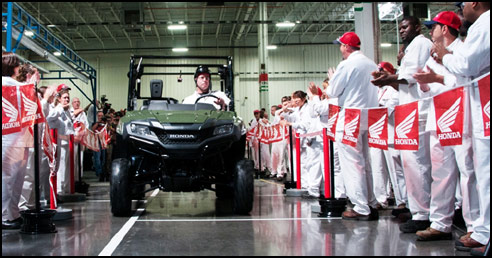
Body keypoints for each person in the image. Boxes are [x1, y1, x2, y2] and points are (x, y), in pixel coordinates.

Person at [409, 10, 476, 242]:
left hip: (461, 116)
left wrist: (435, 79)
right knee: (442, 173)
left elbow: (463, 81)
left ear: (445, 29)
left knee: (468, 172)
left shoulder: (462, 50)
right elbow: (425, 89)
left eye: (434, 27)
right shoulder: (432, 55)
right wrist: (424, 84)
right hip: (439, 117)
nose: (431, 31)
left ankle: (475, 226)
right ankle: (440, 223)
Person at [431, 2, 489, 254]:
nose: (462, 9)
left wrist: (445, 57)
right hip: (477, 106)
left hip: (482, 107)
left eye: (463, 4)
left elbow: (467, 67)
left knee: (483, 172)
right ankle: (481, 229)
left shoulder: (484, 24)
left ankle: (485, 232)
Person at [371, 16, 433, 231]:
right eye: (400, 28)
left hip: (418, 111)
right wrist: (392, 79)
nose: (401, 31)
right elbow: (406, 83)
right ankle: (417, 210)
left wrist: (391, 78)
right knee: (411, 167)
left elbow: (415, 76)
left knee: (419, 165)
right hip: (408, 111)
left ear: (417, 27)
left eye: (405, 27)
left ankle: (423, 213)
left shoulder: (422, 44)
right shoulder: (412, 47)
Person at [325, 31, 379, 220]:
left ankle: (360, 207)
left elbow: (333, 91)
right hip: (368, 115)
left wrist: (332, 78)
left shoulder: (347, 64)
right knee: (365, 162)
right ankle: (371, 203)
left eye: (341, 45)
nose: (340, 49)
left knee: (352, 164)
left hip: (350, 116)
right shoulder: (371, 63)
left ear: (346, 47)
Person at [2, 52, 33, 229]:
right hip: (19, 138)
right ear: (14, 67)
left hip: (8, 138)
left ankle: (9, 214)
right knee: (14, 180)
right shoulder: (21, 88)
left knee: (8, 179)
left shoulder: (19, 86)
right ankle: (9, 214)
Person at [375, 62, 409, 218]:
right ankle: (399, 200)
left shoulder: (395, 89)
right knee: (388, 170)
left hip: (396, 132)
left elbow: (390, 109)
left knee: (400, 169)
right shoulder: (379, 90)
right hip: (382, 134)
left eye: (381, 71)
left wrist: (378, 106)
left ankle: (405, 201)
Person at [46, 86, 75, 196]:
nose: (67, 100)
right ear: (58, 98)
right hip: (60, 142)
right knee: (61, 167)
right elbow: (49, 120)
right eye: (65, 97)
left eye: (68, 98)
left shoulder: (66, 110)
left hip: (68, 142)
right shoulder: (56, 109)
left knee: (67, 167)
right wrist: (60, 108)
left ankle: (65, 188)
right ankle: (59, 190)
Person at [70, 97, 90, 185]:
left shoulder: (83, 114)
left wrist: (83, 135)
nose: (77, 103)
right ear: (72, 103)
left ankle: (79, 178)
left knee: (80, 160)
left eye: (78, 102)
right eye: (75, 102)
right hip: (72, 139)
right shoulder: (70, 112)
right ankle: (72, 179)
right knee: (72, 160)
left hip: (80, 139)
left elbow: (86, 125)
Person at [269, 105, 287, 180]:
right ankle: (274, 171)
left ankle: (280, 173)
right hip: (275, 138)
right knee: (274, 155)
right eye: (271, 110)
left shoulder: (282, 116)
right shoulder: (274, 119)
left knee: (281, 155)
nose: (271, 112)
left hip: (282, 138)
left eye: (273, 110)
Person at [91, 110, 107, 182]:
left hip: (104, 141)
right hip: (97, 142)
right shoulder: (95, 123)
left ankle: (103, 172)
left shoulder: (106, 123)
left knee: (104, 158)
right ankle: (99, 173)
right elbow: (93, 129)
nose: (100, 117)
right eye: (99, 116)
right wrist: (98, 122)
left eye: (101, 116)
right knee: (97, 158)